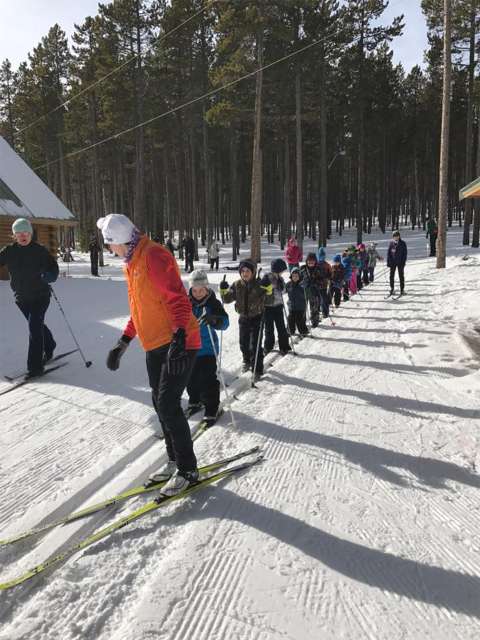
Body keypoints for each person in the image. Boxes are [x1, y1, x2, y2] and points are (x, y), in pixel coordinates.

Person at [97, 213, 201, 496]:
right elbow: (141, 310)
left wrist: (179, 336)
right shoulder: (131, 262)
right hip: (154, 344)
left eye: (110, 245)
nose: (109, 250)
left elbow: (177, 298)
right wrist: (123, 342)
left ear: (119, 240)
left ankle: (188, 469)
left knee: (168, 404)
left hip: (178, 342)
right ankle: (173, 460)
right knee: (159, 403)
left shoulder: (154, 255)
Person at [0, 218, 58, 378]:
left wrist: (50, 275)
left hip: (41, 296)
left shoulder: (40, 250)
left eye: (25, 232)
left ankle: (35, 367)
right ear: (14, 235)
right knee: (37, 325)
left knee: (34, 327)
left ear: (30, 233)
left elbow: (53, 267)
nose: (23, 236)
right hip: (22, 298)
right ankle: (50, 344)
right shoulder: (9, 251)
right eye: (19, 233)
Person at [186, 270, 229, 426]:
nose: (198, 293)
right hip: (189, 348)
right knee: (190, 377)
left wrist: (214, 320)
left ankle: (212, 407)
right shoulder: (186, 303)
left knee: (207, 379)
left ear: (207, 288)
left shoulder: (213, 303)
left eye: (201, 290)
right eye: (194, 290)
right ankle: (195, 400)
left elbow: (225, 323)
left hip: (207, 349)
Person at [219, 258, 273, 380]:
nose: (245, 273)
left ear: (253, 272)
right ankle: (247, 360)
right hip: (243, 318)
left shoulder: (260, 285)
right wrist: (223, 291)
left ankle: (257, 369)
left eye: (248, 270)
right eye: (242, 271)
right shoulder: (237, 285)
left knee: (256, 344)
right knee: (243, 343)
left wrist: (268, 290)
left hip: (257, 317)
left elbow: (269, 301)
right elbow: (227, 299)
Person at [263, 258, 291, 356]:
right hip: (267, 307)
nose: (283, 272)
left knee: (281, 327)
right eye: (282, 270)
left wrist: (282, 287)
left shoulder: (280, 279)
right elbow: (262, 290)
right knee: (268, 328)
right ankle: (268, 346)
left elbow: (283, 291)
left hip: (278, 306)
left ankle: (284, 346)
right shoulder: (266, 277)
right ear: (278, 269)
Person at [300, 253, 322, 328]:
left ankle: (315, 322)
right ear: (306, 261)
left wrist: (317, 283)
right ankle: (302, 323)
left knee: (314, 308)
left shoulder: (318, 269)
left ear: (315, 261)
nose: (310, 264)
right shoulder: (302, 268)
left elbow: (322, 280)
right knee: (302, 308)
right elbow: (298, 279)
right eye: (309, 262)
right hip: (304, 291)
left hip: (314, 292)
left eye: (312, 262)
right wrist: (302, 283)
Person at [285, 267, 309, 336]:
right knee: (290, 320)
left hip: (300, 307)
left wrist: (305, 288)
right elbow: (283, 289)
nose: (295, 277)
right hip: (292, 306)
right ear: (291, 276)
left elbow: (307, 293)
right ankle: (290, 331)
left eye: (296, 276)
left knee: (300, 321)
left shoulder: (302, 284)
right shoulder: (289, 284)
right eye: (293, 276)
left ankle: (303, 331)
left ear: (299, 276)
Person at [387, 230, 408, 296]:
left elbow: (405, 254)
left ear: (399, 236)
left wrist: (403, 262)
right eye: (394, 236)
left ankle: (402, 289)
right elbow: (389, 253)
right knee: (391, 276)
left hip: (400, 262)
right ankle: (392, 288)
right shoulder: (391, 243)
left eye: (397, 236)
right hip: (393, 262)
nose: (396, 237)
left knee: (401, 276)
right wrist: (389, 262)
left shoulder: (403, 243)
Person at [315, 247, 332, 318]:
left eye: (323, 256)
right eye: (320, 256)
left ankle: (325, 312)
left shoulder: (327, 265)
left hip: (324, 285)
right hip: (317, 284)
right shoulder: (316, 264)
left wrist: (329, 277)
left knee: (324, 299)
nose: (322, 257)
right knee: (317, 299)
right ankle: (318, 311)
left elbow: (330, 273)